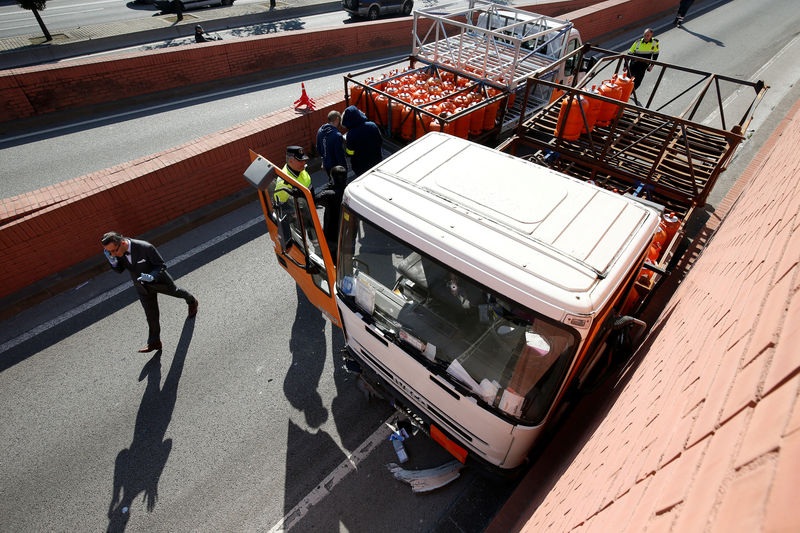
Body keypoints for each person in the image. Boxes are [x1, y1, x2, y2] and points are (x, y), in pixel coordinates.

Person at [101, 232, 198, 353]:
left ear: (123, 243)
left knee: (177, 292)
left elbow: (161, 265)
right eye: (109, 252)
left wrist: (151, 276)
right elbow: (120, 270)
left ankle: (192, 301)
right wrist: (113, 262)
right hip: (142, 288)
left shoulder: (145, 247)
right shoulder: (117, 252)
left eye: (113, 251)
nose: (113, 254)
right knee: (151, 315)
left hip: (159, 281)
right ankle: (154, 342)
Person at [313, 165, 347, 261]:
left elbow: (315, 198)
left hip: (331, 233)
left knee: (331, 257)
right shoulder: (348, 191)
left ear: (332, 178)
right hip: (345, 231)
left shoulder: (329, 194)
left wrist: (330, 184)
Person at [341, 105, 383, 177]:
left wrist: (346, 151)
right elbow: (380, 141)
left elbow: (350, 152)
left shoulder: (351, 134)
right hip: (377, 161)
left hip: (361, 167)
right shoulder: (372, 125)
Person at [316, 110, 347, 177]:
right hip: (336, 168)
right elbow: (340, 155)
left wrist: (324, 161)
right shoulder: (337, 136)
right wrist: (344, 168)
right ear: (337, 119)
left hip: (327, 165)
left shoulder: (320, 130)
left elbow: (318, 148)